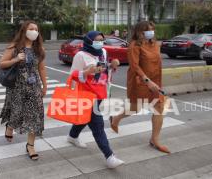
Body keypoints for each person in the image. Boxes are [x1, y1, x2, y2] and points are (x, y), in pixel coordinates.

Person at [66, 31, 125, 169]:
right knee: (98, 126)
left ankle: (72, 136)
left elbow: (103, 70)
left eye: (102, 40)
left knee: (86, 119)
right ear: (88, 41)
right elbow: (73, 75)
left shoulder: (103, 52)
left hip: (100, 93)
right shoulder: (80, 55)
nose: (100, 43)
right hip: (86, 95)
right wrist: (87, 72)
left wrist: (112, 65)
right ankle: (109, 156)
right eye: (97, 40)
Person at [110, 21, 170, 154]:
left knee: (159, 108)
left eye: (152, 29)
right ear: (139, 32)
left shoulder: (155, 44)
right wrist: (147, 81)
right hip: (139, 81)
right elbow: (135, 67)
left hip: (155, 81)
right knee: (135, 108)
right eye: (147, 30)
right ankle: (116, 118)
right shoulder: (134, 46)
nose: (151, 32)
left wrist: (155, 81)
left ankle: (154, 140)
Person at [0, 21, 47, 161]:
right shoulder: (14, 47)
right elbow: (1, 64)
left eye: (36, 29)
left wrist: (45, 86)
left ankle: (30, 145)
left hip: (34, 88)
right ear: (24, 30)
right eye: (31, 29)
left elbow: (42, 68)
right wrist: (15, 59)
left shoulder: (39, 49)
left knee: (35, 116)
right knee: (16, 112)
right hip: (16, 87)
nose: (34, 31)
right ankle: (10, 126)